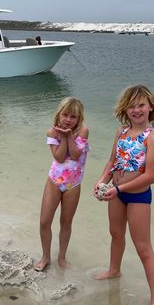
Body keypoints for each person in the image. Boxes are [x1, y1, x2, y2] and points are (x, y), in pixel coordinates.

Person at [93, 84, 154, 305]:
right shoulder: (121, 132)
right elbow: (112, 162)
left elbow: (150, 175)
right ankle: (114, 270)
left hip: (138, 196)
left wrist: (119, 188)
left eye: (141, 105)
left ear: (150, 107)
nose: (137, 110)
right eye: (132, 106)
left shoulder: (153, 138)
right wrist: (102, 181)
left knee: (143, 247)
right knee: (115, 233)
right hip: (116, 192)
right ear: (125, 109)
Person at [34, 97, 89, 272]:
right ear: (59, 114)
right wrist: (64, 136)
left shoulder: (83, 131)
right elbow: (58, 157)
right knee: (44, 221)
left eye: (73, 117)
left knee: (66, 222)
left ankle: (62, 257)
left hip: (73, 183)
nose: (68, 119)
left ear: (79, 118)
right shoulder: (52, 132)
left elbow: (74, 155)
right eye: (65, 115)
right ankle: (46, 256)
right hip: (54, 180)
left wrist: (69, 136)